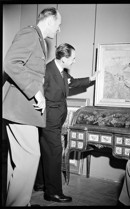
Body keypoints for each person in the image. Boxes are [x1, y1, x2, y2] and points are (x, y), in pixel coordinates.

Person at [2, 7, 61, 206]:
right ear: (50, 21)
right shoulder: (30, 33)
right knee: (30, 157)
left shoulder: (39, 40)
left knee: (18, 161)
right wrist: (36, 92)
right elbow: (11, 63)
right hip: (21, 110)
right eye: (58, 24)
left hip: (22, 111)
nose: (59, 29)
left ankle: (19, 202)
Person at [33, 43, 98, 203]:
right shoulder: (47, 71)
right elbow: (34, 87)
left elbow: (72, 83)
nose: (74, 61)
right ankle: (53, 192)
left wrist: (91, 78)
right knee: (55, 153)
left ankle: (41, 183)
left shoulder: (61, 71)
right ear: (63, 59)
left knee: (46, 150)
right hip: (49, 120)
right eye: (72, 58)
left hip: (55, 118)